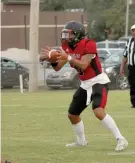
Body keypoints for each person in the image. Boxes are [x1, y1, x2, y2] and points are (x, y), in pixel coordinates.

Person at [40, 21, 128, 151]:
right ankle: (81, 141)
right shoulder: (66, 46)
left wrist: (68, 58)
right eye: (65, 34)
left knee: (98, 111)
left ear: (77, 35)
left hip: (99, 81)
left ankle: (121, 139)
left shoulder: (88, 44)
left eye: (69, 34)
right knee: (72, 114)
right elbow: (58, 67)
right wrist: (51, 60)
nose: (66, 37)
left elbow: (84, 65)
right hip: (85, 84)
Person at [120, 24, 135, 108]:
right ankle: (134, 103)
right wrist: (122, 67)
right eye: (132, 30)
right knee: (132, 85)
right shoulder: (129, 42)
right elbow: (125, 55)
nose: (134, 32)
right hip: (132, 67)